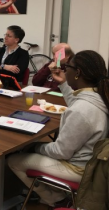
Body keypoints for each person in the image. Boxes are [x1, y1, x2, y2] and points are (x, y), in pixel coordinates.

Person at [8, 50, 109, 208]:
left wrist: (36, 147)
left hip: (78, 169)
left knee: (14, 160)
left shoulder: (81, 110)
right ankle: (55, 194)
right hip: (92, 164)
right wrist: (63, 83)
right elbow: (77, 104)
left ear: (77, 73)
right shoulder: (100, 96)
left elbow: (61, 152)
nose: (64, 70)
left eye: (67, 67)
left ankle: (55, 198)